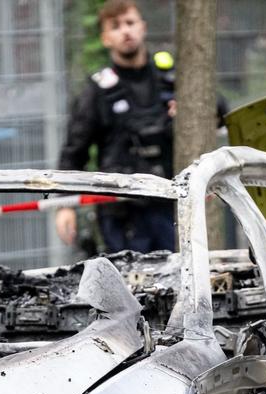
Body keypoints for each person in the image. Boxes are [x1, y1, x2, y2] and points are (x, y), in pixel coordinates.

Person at [56, 0, 182, 255]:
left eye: (130, 23)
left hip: (172, 203)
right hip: (122, 213)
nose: (125, 31)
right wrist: (64, 205)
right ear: (106, 38)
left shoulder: (172, 79)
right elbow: (74, 151)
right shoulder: (97, 91)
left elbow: (216, 111)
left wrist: (186, 112)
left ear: (143, 27)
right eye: (116, 26)